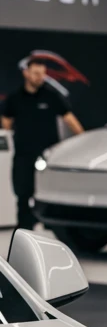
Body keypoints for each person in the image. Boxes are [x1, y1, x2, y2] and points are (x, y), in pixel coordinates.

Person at [1, 57, 84, 229]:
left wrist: (84, 140)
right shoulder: (15, 98)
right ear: (26, 73)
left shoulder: (52, 96)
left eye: (42, 74)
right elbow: (6, 121)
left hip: (47, 156)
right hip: (24, 154)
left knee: (51, 194)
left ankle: (53, 230)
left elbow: (69, 119)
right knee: (23, 195)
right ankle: (24, 231)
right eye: (36, 73)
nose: (40, 77)